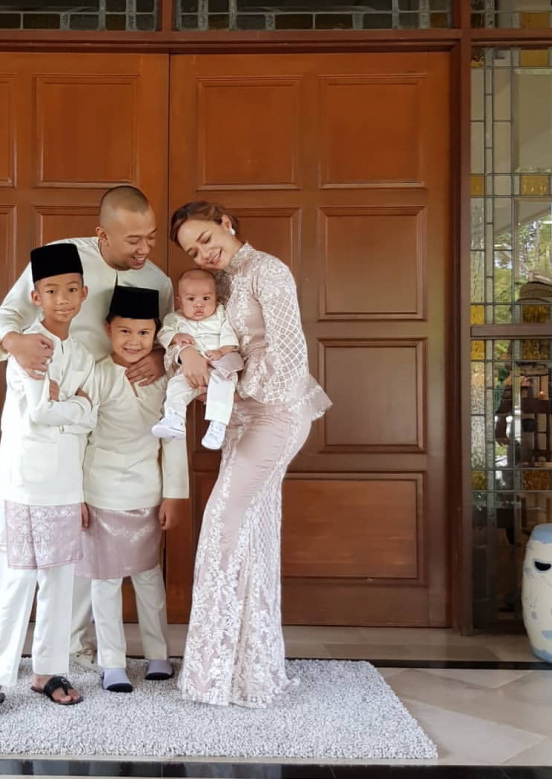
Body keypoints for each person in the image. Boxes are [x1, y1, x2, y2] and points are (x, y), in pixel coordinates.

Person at [0, 185, 174, 692]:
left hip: (105, 420)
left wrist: (158, 357)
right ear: (102, 234)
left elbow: (167, 334)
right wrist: (14, 343)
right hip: (38, 414)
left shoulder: (159, 280)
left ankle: (67, 648)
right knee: (11, 539)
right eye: (133, 240)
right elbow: (7, 315)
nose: (144, 249)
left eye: (150, 238)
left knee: (81, 533)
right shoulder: (63, 260)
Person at [169, 201, 331, 709]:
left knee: (223, 521)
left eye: (206, 239)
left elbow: (289, 356)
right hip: (241, 416)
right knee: (253, 531)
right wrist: (186, 352)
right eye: (193, 251)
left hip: (278, 412)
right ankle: (249, 670)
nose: (203, 253)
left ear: (227, 223)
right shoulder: (216, 282)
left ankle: (214, 672)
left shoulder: (268, 270)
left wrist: (234, 382)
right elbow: (188, 330)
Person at [0, 243, 95, 719]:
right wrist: (74, 406)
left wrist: (72, 405)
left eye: (71, 290)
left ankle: (48, 671)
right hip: (24, 481)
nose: (63, 299)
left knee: (59, 578)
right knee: (18, 580)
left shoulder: (81, 354)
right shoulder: (27, 345)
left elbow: (89, 417)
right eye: (52, 290)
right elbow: (41, 412)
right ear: (36, 296)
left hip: (64, 482)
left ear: (83, 294)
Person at [77, 285, 189, 693]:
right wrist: (76, 495)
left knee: (148, 578)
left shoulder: (166, 379)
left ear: (156, 335)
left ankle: (159, 654)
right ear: (108, 329)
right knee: (105, 582)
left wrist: (175, 494)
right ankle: (112, 662)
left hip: (147, 490)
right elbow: (78, 437)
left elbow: (173, 438)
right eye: (125, 331)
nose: (134, 341)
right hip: (100, 490)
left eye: (144, 333)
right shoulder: (95, 374)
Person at [152, 268, 242, 450]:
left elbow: (229, 336)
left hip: (218, 365)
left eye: (206, 298)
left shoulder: (220, 314)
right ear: (180, 301)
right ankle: (174, 418)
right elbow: (163, 333)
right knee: (176, 386)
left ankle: (217, 425)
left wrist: (222, 351)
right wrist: (176, 336)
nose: (199, 304)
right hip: (189, 370)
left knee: (223, 386)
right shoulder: (174, 319)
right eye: (191, 299)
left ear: (216, 298)